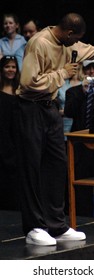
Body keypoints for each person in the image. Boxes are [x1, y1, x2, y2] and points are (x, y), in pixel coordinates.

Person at [14, 12, 94, 246]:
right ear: (69, 32)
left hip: (50, 109)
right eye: (75, 38)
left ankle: (56, 225)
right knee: (32, 168)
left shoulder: (68, 43)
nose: (76, 43)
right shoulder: (38, 43)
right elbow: (28, 82)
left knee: (57, 165)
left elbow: (88, 49)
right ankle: (34, 227)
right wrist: (62, 74)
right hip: (30, 108)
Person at [64, 59, 94, 217]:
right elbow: (69, 112)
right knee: (82, 194)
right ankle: (84, 225)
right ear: (84, 70)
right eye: (89, 69)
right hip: (81, 151)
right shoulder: (73, 92)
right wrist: (83, 92)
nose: (92, 72)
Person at [0, 55, 20, 210]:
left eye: (13, 67)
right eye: (7, 66)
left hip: (18, 143)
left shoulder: (21, 90)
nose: (10, 70)